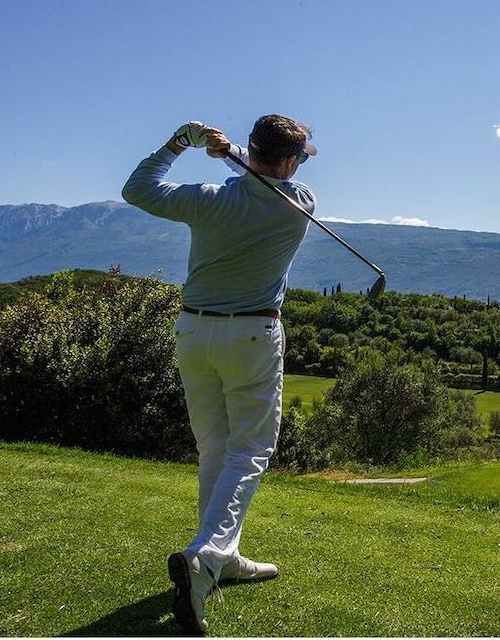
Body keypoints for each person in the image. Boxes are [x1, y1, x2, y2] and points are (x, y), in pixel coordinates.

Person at [122, 115, 318, 634]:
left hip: (193, 331)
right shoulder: (300, 203)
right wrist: (232, 155)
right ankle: (208, 555)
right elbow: (264, 178)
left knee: (214, 447)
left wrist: (180, 144)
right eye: (300, 158)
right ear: (290, 161)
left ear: (252, 149)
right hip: (252, 336)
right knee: (249, 451)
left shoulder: (206, 199)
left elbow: (137, 189)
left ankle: (223, 558)